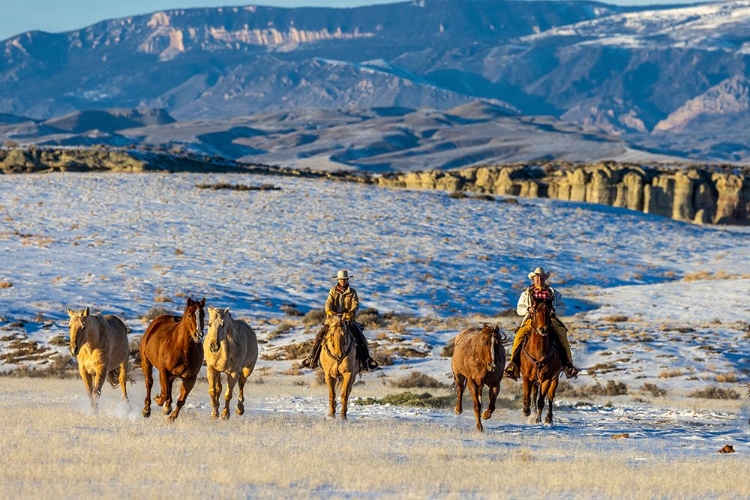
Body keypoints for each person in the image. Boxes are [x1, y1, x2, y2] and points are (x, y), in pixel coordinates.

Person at [504, 266, 579, 380]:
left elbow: (562, 307)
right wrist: (528, 310)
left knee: (562, 335)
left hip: (550, 319)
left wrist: (554, 310)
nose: (539, 280)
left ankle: (568, 365)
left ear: (545, 279)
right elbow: (519, 309)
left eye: (542, 278)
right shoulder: (526, 293)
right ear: (533, 279)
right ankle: (513, 365)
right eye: (537, 278)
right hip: (531, 320)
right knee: (519, 336)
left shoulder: (553, 293)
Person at [302, 270, 379, 371]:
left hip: (348, 321)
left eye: (344, 279)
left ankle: (367, 360)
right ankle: (311, 358)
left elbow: (355, 304)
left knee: (361, 339)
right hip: (332, 321)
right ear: (338, 280)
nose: (342, 281)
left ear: (347, 280)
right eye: (341, 279)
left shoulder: (352, 292)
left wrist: (351, 312)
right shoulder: (332, 291)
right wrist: (329, 311)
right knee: (318, 337)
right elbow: (328, 303)